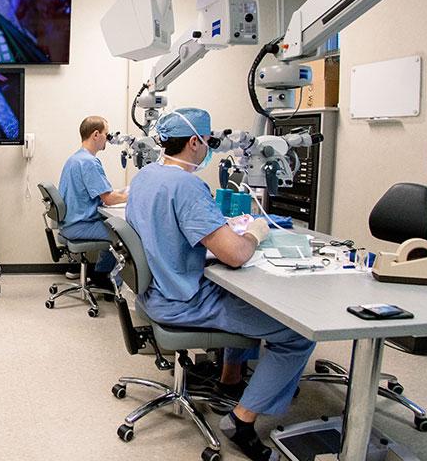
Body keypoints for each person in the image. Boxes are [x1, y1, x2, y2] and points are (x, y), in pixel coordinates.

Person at [126, 108, 315, 461]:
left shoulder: (146, 175)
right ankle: (241, 421)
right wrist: (256, 232)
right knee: (299, 335)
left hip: (156, 290)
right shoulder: (187, 185)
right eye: (210, 140)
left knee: (237, 295)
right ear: (195, 142)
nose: (211, 147)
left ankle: (230, 380)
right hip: (182, 300)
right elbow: (236, 255)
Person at [58, 115, 129, 290]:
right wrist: (136, 195)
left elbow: (102, 193)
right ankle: (114, 283)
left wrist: (123, 191)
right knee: (126, 235)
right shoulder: (89, 162)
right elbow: (108, 199)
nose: (108, 138)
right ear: (96, 134)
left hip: (70, 223)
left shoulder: (75, 159)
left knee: (112, 227)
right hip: (80, 225)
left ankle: (100, 276)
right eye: (107, 133)